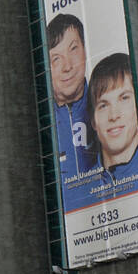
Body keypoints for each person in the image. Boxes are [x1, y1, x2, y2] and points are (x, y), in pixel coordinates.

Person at [47, 13, 97, 190]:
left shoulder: (104, 106)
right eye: (56, 59)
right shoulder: (43, 123)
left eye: (73, 49)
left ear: (85, 50)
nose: (67, 67)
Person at [87, 53, 138, 183]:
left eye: (124, 98)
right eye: (103, 105)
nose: (113, 116)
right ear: (93, 121)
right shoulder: (82, 190)